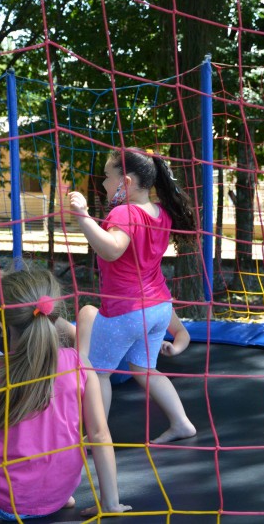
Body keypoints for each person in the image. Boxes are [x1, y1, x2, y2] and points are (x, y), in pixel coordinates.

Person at [0, 268, 131, 524]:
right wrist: (110, 503)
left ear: (1, 328)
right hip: (60, 492)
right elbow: (99, 434)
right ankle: (67, 499)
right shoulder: (79, 363)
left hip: (5, 502)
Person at [68, 148, 197, 444]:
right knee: (145, 369)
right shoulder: (160, 212)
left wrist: (83, 217)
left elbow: (112, 249)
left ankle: (97, 437)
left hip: (127, 310)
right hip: (159, 307)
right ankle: (181, 423)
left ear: (125, 182)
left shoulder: (124, 212)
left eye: (106, 177)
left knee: (99, 372)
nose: (103, 183)